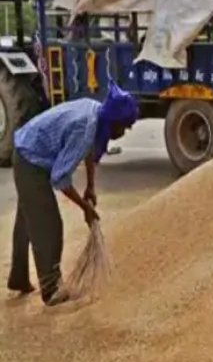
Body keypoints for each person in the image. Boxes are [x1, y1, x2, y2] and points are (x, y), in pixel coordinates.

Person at [7, 82, 139, 306]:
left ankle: (18, 278)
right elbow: (60, 178)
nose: (123, 132)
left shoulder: (95, 111)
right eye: (123, 127)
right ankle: (51, 289)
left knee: (28, 219)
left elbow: (88, 151)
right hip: (30, 160)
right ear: (113, 122)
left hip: (29, 150)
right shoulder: (84, 128)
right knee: (48, 224)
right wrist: (84, 207)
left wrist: (90, 186)